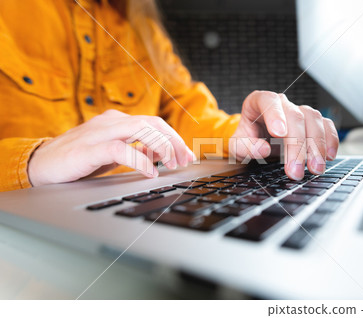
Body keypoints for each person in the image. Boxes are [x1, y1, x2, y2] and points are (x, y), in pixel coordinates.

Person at [0, 0, 339, 192]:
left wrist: (252, 138)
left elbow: (187, 114)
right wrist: (30, 161)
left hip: (132, 218)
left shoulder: (141, 25)